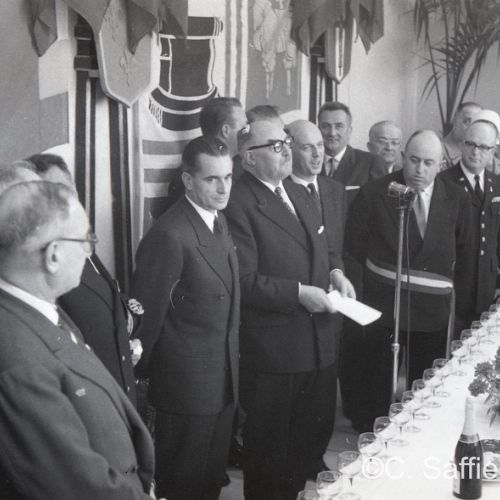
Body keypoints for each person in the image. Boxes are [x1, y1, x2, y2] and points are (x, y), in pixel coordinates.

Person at [0, 181, 156, 499]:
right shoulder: (18, 358)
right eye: (86, 239)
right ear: (53, 255)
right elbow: (72, 484)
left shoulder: (42, 310)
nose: (89, 251)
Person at [225, 119, 353, 499]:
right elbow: (243, 280)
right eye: (276, 146)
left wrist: (335, 273)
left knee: (303, 448)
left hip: (316, 341)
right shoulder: (238, 202)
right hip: (275, 351)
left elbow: (322, 247)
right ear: (249, 158)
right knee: (269, 455)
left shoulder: (295, 190)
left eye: (285, 143)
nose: (285, 152)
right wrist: (298, 293)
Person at [132, 136, 239, 500]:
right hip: (185, 392)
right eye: (212, 179)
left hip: (221, 383)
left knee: (208, 485)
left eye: (228, 177)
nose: (223, 188)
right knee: (182, 487)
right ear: (189, 180)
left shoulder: (216, 220)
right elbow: (146, 323)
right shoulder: (169, 234)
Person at [344, 130, 472, 427]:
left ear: (441, 165)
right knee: (374, 398)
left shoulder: (456, 198)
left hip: (432, 315)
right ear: (403, 157)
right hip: (383, 309)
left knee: (423, 395)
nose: (419, 169)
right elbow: (354, 251)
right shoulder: (374, 193)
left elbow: (464, 254)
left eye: (428, 163)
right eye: (414, 160)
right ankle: (372, 443)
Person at [27, 153, 142, 405]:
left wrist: (127, 344)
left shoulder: (78, 243)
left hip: (117, 394)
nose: (64, 203)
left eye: (66, 191)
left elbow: (108, 306)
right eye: (51, 196)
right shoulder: (44, 267)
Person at [440, 111, 500, 335]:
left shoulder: (497, 184)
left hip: (488, 288)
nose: (476, 152)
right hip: (454, 287)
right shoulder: (443, 182)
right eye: (471, 144)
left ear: (492, 151)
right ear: (462, 144)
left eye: (483, 147)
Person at [166, 96, 248, 210]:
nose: (248, 134)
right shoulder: (186, 179)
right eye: (244, 128)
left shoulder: (241, 166)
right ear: (226, 131)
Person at [317, 101, 386, 205]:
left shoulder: (371, 163)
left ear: (349, 130)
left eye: (339, 126)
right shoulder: (308, 162)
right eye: (326, 126)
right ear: (318, 130)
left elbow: (380, 207)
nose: (332, 133)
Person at [443, 101, 482, 167]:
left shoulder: (480, 155)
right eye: (467, 121)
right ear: (454, 120)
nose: (471, 127)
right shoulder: (438, 152)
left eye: (476, 123)